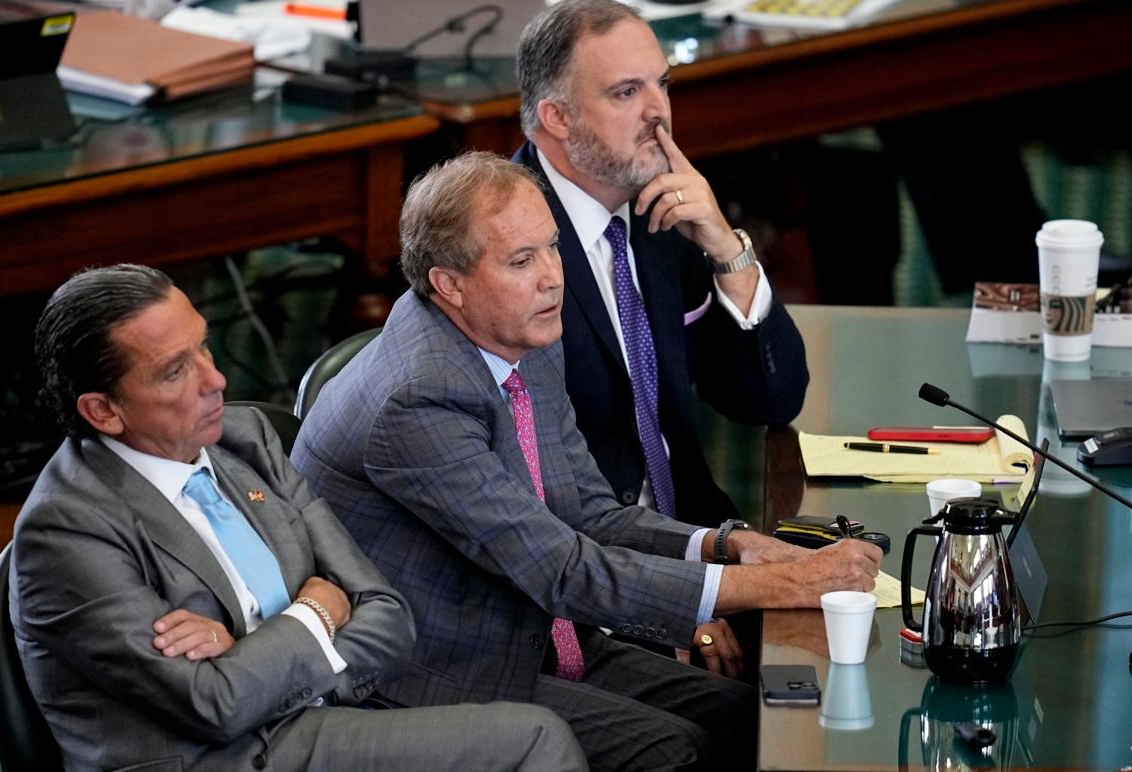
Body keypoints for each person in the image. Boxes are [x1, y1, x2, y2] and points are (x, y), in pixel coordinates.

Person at [291, 153, 881, 771]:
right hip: (430, 673)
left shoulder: (521, 333)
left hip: (529, 631)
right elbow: (566, 572)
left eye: (552, 247)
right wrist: (783, 585)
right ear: (449, 283)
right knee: (675, 751)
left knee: (742, 716)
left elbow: (591, 512)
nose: (553, 277)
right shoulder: (417, 399)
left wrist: (729, 547)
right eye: (522, 261)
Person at [11, 264, 587, 772]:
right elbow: (214, 706)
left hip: (317, 720)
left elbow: (387, 616)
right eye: (174, 371)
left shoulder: (244, 440)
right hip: (224, 758)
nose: (215, 380)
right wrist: (317, 611)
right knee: (534, 740)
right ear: (103, 411)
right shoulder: (66, 529)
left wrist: (246, 652)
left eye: (205, 348)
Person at [512, 0, 809, 526]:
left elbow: (770, 401)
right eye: (627, 92)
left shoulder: (667, 215)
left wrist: (726, 248)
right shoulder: (501, 239)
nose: (658, 112)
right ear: (556, 116)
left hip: (695, 537)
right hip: (581, 562)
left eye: (663, 85)